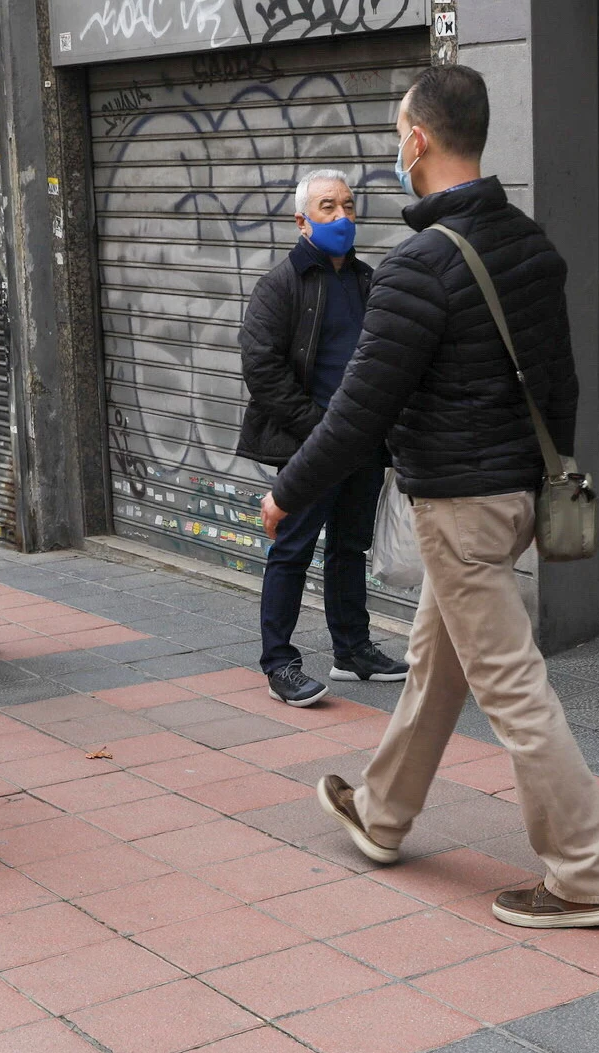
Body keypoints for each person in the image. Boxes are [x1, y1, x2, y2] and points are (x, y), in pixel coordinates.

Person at [261, 65, 599, 931]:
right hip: (515, 498)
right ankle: (382, 813)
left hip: (458, 509)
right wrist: (546, 482)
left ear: (416, 139)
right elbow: (563, 385)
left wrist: (288, 488)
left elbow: (359, 413)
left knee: (514, 690)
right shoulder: (531, 244)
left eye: (397, 131)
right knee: (438, 663)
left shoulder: (419, 265)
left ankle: (584, 875)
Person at [239, 169, 410, 708]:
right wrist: (321, 431)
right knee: (292, 549)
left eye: (348, 206)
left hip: (361, 442)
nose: (341, 217)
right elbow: (261, 368)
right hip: (308, 446)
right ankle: (279, 663)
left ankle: (352, 650)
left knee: (348, 548)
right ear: (302, 220)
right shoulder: (280, 285)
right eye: (328, 207)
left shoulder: (368, 281)